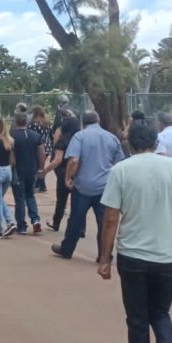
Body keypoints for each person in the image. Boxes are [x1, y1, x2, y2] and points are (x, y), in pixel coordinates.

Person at [98, 123, 172, 343]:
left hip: (133, 256)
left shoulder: (121, 170)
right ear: (155, 143)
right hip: (168, 255)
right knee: (160, 312)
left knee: (137, 320)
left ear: (130, 144)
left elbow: (111, 218)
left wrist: (104, 258)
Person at [52, 111, 124, 260]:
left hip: (83, 186)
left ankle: (67, 249)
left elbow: (73, 161)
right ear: (98, 120)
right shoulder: (111, 138)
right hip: (104, 187)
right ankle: (104, 254)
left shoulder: (80, 136)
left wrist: (68, 177)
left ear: (83, 123)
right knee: (104, 222)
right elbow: (119, 163)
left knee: (76, 220)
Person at [42, 117, 81, 232]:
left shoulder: (62, 141)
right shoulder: (80, 141)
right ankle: (81, 228)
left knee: (61, 201)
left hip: (63, 173)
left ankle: (56, 223)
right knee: (77, 202)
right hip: (77, 173)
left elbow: (57, 160)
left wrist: (45, 171)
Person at [11, 112, 45, 235]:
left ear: (15, 122)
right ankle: (35, 219)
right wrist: (41, 168)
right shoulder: (35, 136)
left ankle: (21, 225)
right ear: (27, 122)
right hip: (32, 170)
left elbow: (11, 156)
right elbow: (41, 152)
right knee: (30, 195)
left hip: (18, 171)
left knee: (19, 198)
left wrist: (11, 168)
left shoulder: (12, 136)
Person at [29, 106, 52, 192]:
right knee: (41, 165)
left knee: (37, 166)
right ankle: (41, 184)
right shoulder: (47, 122)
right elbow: (51, 133)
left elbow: (31, 135)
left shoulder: (33, 123)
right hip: (47, 146)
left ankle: (39, 184)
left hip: (38, 146)